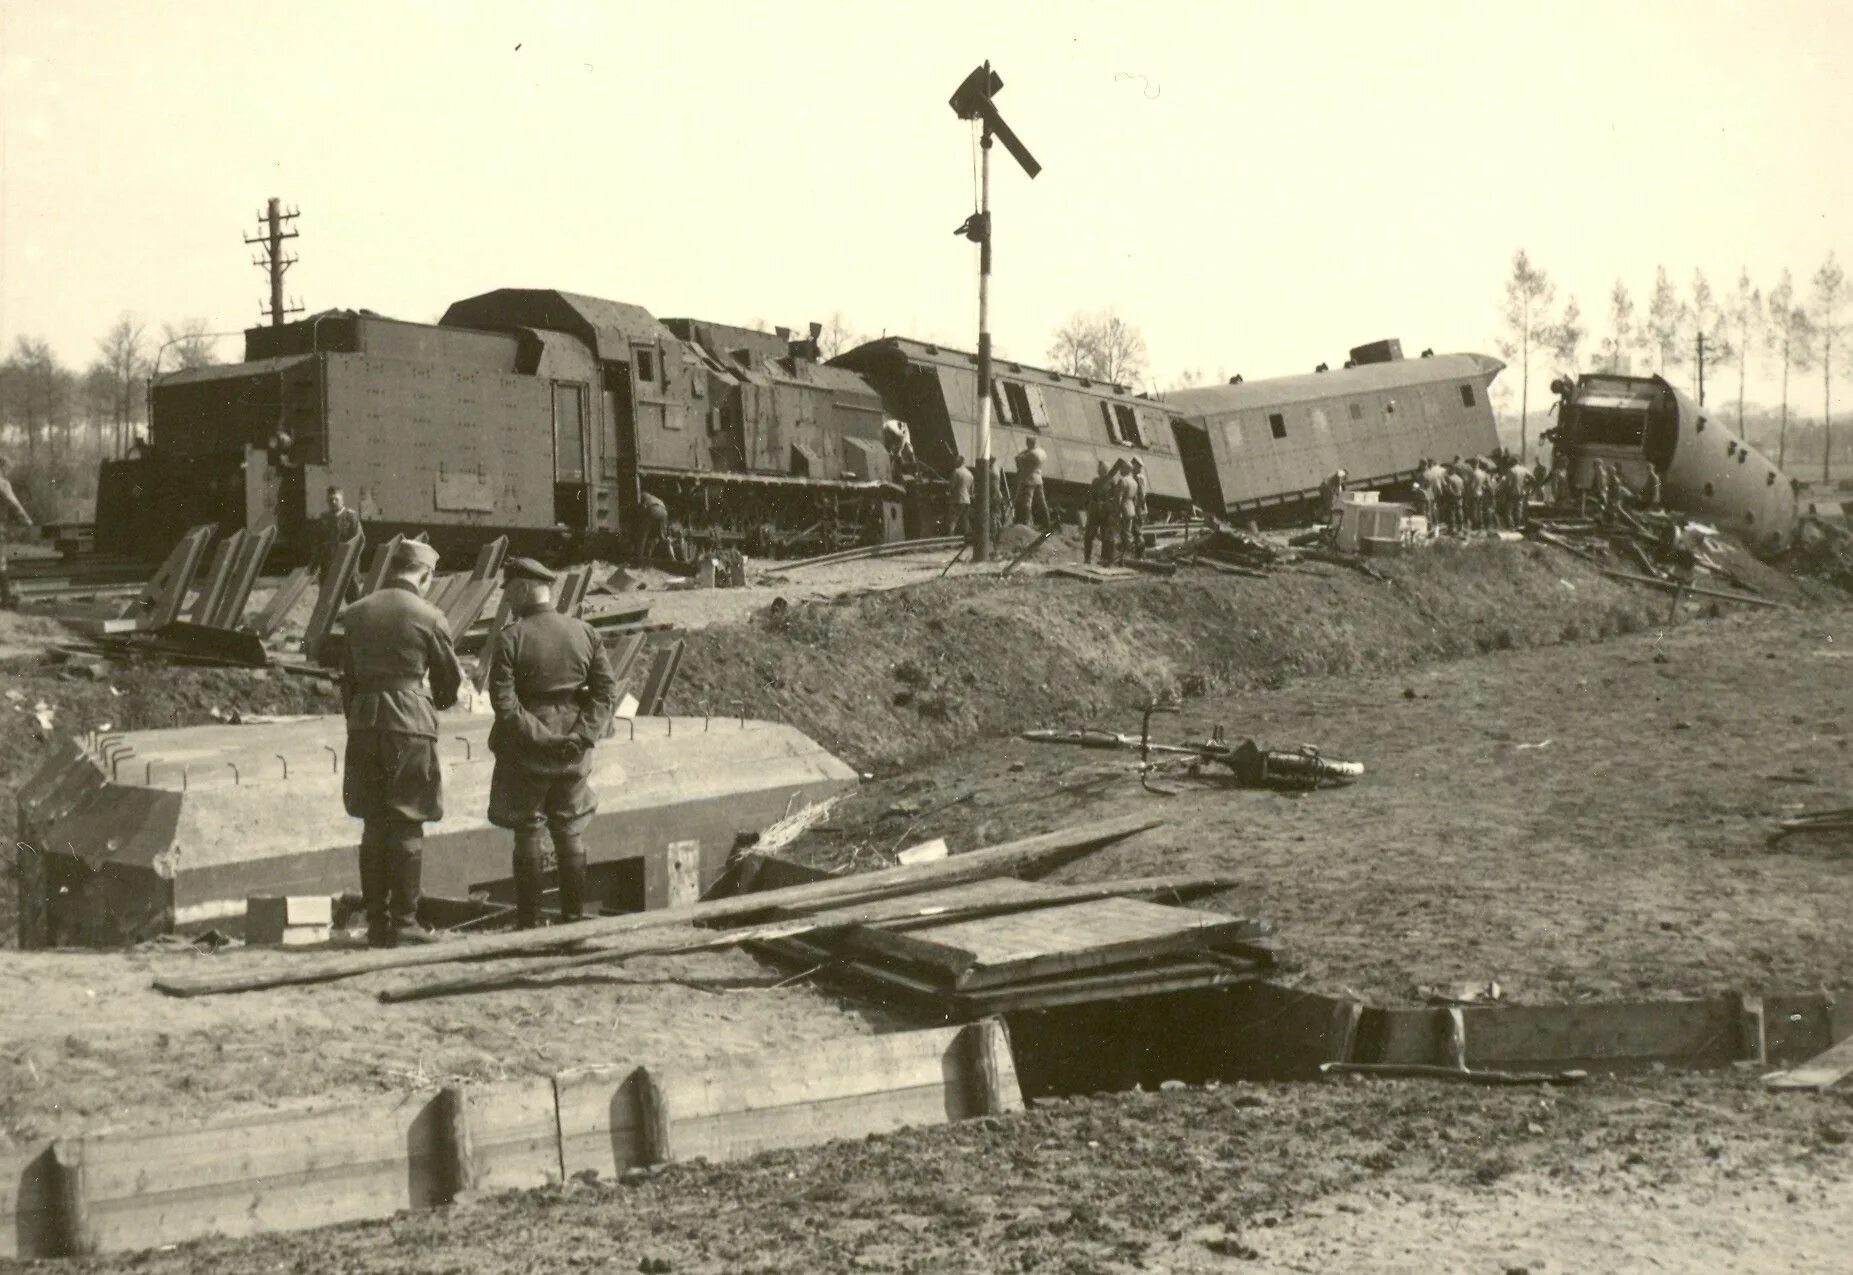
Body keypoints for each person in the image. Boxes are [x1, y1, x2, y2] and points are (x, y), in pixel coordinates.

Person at [339, 539, 463, 947]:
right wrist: (433, 701)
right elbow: (448, 681)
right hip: (409, 721)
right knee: (409, 817)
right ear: (424, 575)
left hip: (364, 723)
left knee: (374, 822)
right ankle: (405, 922)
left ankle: (376, 924)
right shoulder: (429, 615)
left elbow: (348, 679)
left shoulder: (356, 613)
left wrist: (359, 716)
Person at [486, 558, 619, 929]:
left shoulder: (511, 637)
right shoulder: (585, 632)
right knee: (569, 829)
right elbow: (606, 692)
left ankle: (528, 926)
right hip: (574, 750)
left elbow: (504, 704)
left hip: (526, 748)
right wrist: (581, 735)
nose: (508, 600)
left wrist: (541, 739)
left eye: (510, 591)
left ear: (525, 589)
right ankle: (573, 923)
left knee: (528, 829)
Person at [0, 457, 35, 610]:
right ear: (2, 467)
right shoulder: (3, 483)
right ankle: (6, 601)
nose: (8, 472)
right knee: (1, 565)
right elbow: (14, 504)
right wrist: (27, 522)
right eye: (7, 469)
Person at [321, 487, 365, 603]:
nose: (333, 502)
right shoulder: (324, 518)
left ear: (342, 500)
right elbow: (318, 543)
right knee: (327, 598)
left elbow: (360, 541)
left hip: (348, 563)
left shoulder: (351, 517)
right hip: (329, 564)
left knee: (353, 596)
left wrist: (352, 561)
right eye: (330, 500)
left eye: (336, 499)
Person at [1082, 460, 1114, 564]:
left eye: (1101, 469)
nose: (1099, 471)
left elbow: (1114, 497)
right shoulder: (1095, 481)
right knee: (1089, 535)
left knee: (1106, 536)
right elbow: (1091, 495)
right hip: (1095, 509)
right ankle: (1087, 558)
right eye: (1099, 469)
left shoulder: (1112, 482)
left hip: (1106, 510)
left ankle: (1104, 558)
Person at [1014, 439, 1049, 529]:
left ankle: (1026, 522)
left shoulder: (1031, 454)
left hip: (1029, 479)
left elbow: (1018, 459)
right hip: (1039, 479)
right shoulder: (1041, 452)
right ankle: (1046, 522)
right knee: (1042, 501)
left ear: (1029, 443)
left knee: (1027, 501)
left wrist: (1022, 454)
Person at [1112, 459, 1141, 563]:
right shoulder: (1134, 482)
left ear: (1127, 469)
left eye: (1122, 468)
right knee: (1127, 532)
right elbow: (1135, 499)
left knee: (1120, 534)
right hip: (1131, 509)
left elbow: (1118, 498)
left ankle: (1127, 555)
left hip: (1123, 510)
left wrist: (1117, 512)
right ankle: (1126, 556)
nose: (1120, 470)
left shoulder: (1123, 481)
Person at [636, 491, 669, 563]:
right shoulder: (656, 499)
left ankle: (639, 557)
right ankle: (649, 555)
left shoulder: (643, 495)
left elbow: (643, 507)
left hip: (653, 510)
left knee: (643, 534)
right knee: (660, 535)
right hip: (664, 512)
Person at [948, 455, 974, 541]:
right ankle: (968, 539)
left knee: (953, 519)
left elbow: (951, 486)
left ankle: (950, 539)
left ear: (959, 462)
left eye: (956, 461)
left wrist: (948, 491)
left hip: (957, 499)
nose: (955, 463)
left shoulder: (956, 471)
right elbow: (971, 490)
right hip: (967, 500)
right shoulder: (970, 474)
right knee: (965, 520)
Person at [1128, 457, 1150, 556]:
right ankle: (1138, 553)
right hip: (1138, 507)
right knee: (1135, 531)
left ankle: (1140, 554)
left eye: (1134, 465)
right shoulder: (1138, 477)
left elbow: (1141, 495)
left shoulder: (1138, 478)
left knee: (1137, 531)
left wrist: (1138, 510)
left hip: (1138, 508)